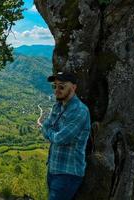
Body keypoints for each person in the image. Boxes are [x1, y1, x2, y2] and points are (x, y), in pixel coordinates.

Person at [37, 71, 91, 200]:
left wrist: (50, 132)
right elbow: (46, 127)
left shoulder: (80, 111)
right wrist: (50, 132)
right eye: (54, 86)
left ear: (73, 87)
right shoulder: (58, 106)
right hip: (53, 169)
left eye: (62, 86)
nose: (57, 90)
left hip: (68, 173)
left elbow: (60, 139)